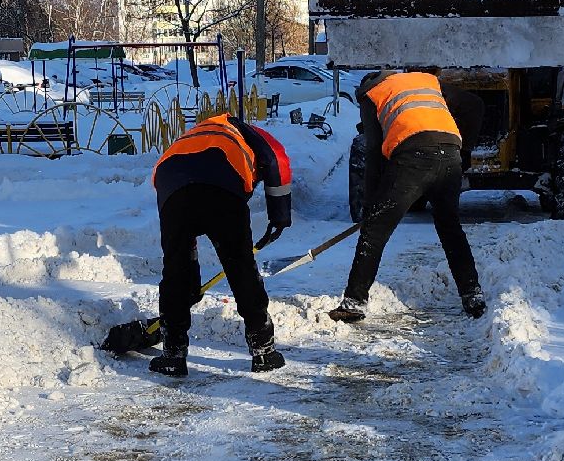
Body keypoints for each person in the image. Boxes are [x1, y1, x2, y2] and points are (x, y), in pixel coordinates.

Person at [330, 69, 485, 323]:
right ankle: (472, 295)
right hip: (450, 155)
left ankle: (354, 301)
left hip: (413, 157)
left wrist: (371, 207)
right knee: (450, 229)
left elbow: (373, 153)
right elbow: (474, 105)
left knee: (374, 232)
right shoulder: (427, 81)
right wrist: (464, 150)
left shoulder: (372, 94)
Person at [148, 113, 293, 377]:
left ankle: (173, 354)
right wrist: (280, 217)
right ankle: (263, 350)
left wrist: (189, 283)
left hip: (171, 188)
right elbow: (276, 159)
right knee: (241, 267)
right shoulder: (243, 131)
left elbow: (164, 181)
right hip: (221, 191)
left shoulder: (190, 138)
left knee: (175, 269)